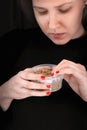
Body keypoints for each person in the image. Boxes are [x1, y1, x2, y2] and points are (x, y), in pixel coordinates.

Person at [0, 0, 87, 129]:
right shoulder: (12, 44)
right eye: (42, 11)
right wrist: (4, 93)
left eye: (64, 9)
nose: (52, 25)